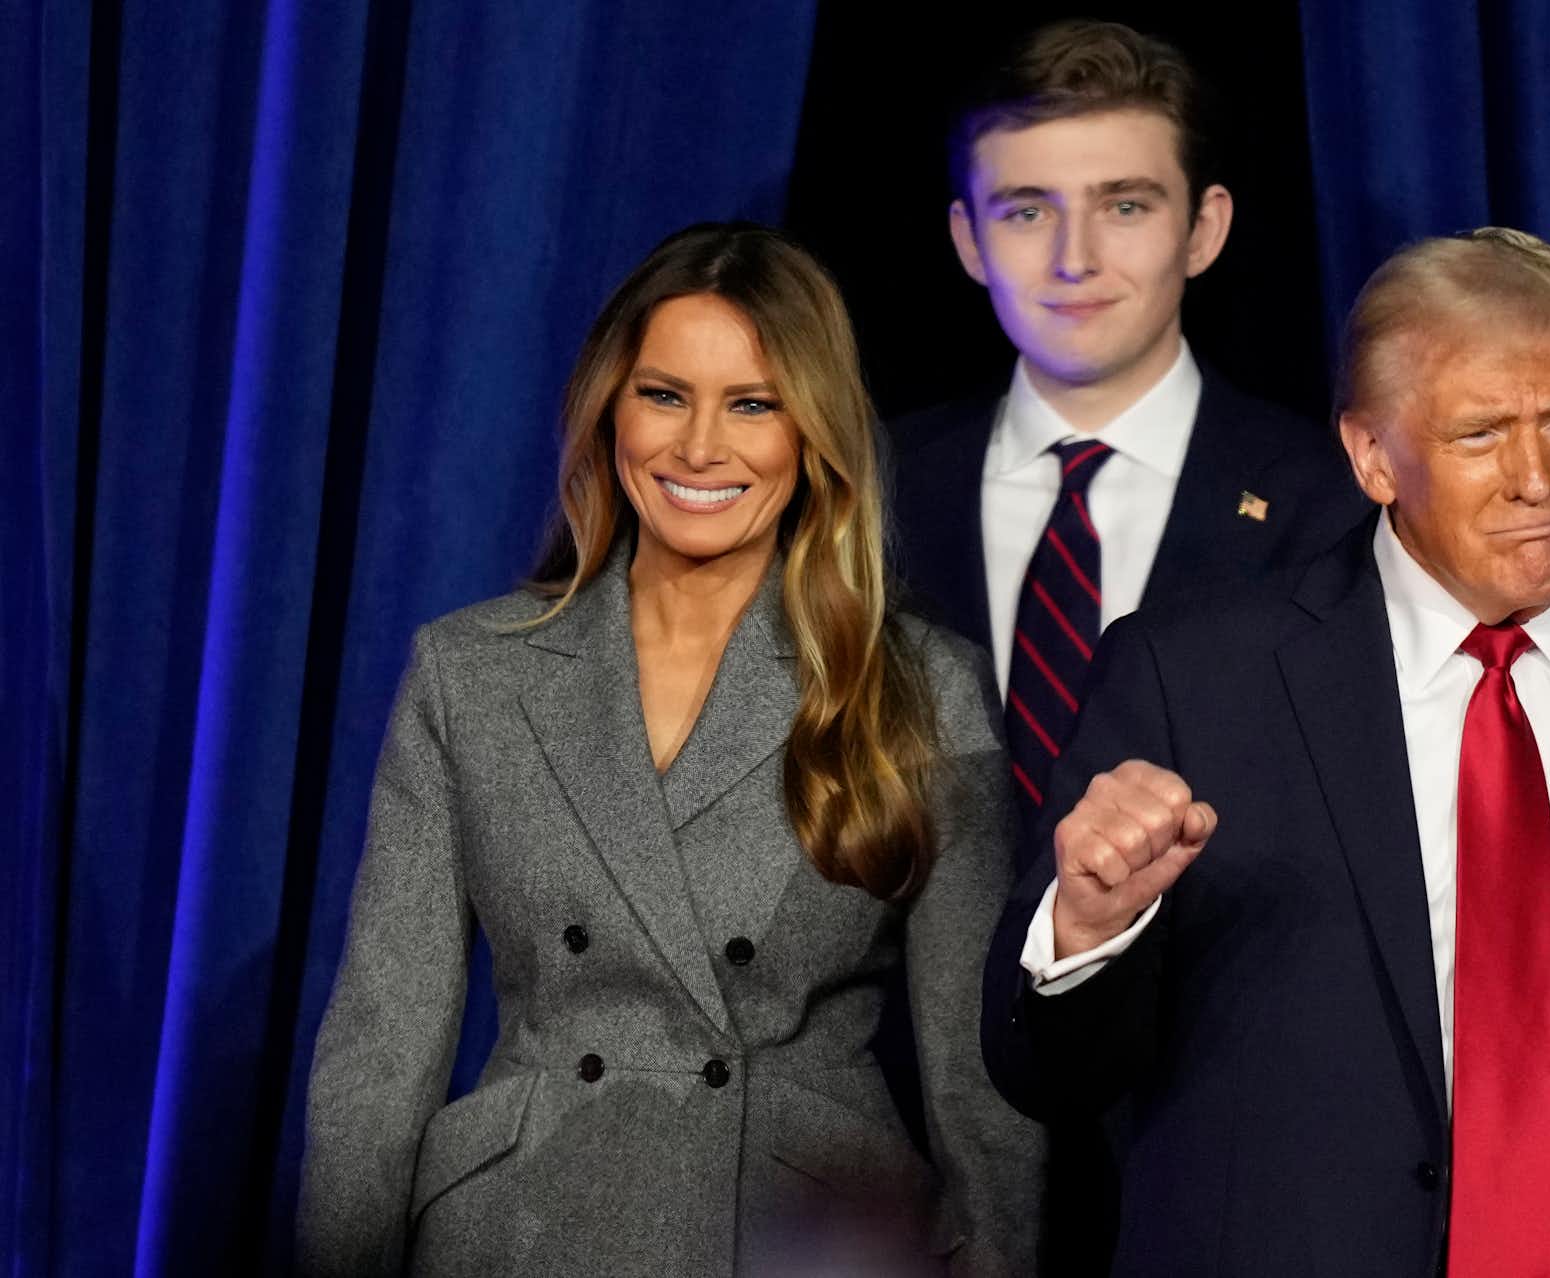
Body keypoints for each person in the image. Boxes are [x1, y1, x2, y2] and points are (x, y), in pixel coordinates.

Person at [981, 228, 1550, 1277]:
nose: (1535, 480)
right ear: (1373, 457)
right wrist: (1092, 926)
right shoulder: (1194, 680)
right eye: (1480, 434)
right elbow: (1042, 1074)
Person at [299, 223, 1039, 1277]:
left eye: (753, 403)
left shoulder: (920, 688)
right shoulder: (469, 674)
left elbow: (979, 1080)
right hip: (516, 1228)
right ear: (608, 409)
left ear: (812, 431)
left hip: (796, 1237)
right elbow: (382, 1046)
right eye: (663, 394)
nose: (699, 447)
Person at [889, 18, 1369, 842]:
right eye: (1029, 212)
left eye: (1124, 205)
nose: (1076, 258)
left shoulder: (1328, 499)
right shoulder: (872, 483)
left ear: (1204, 230)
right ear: (970, 240)